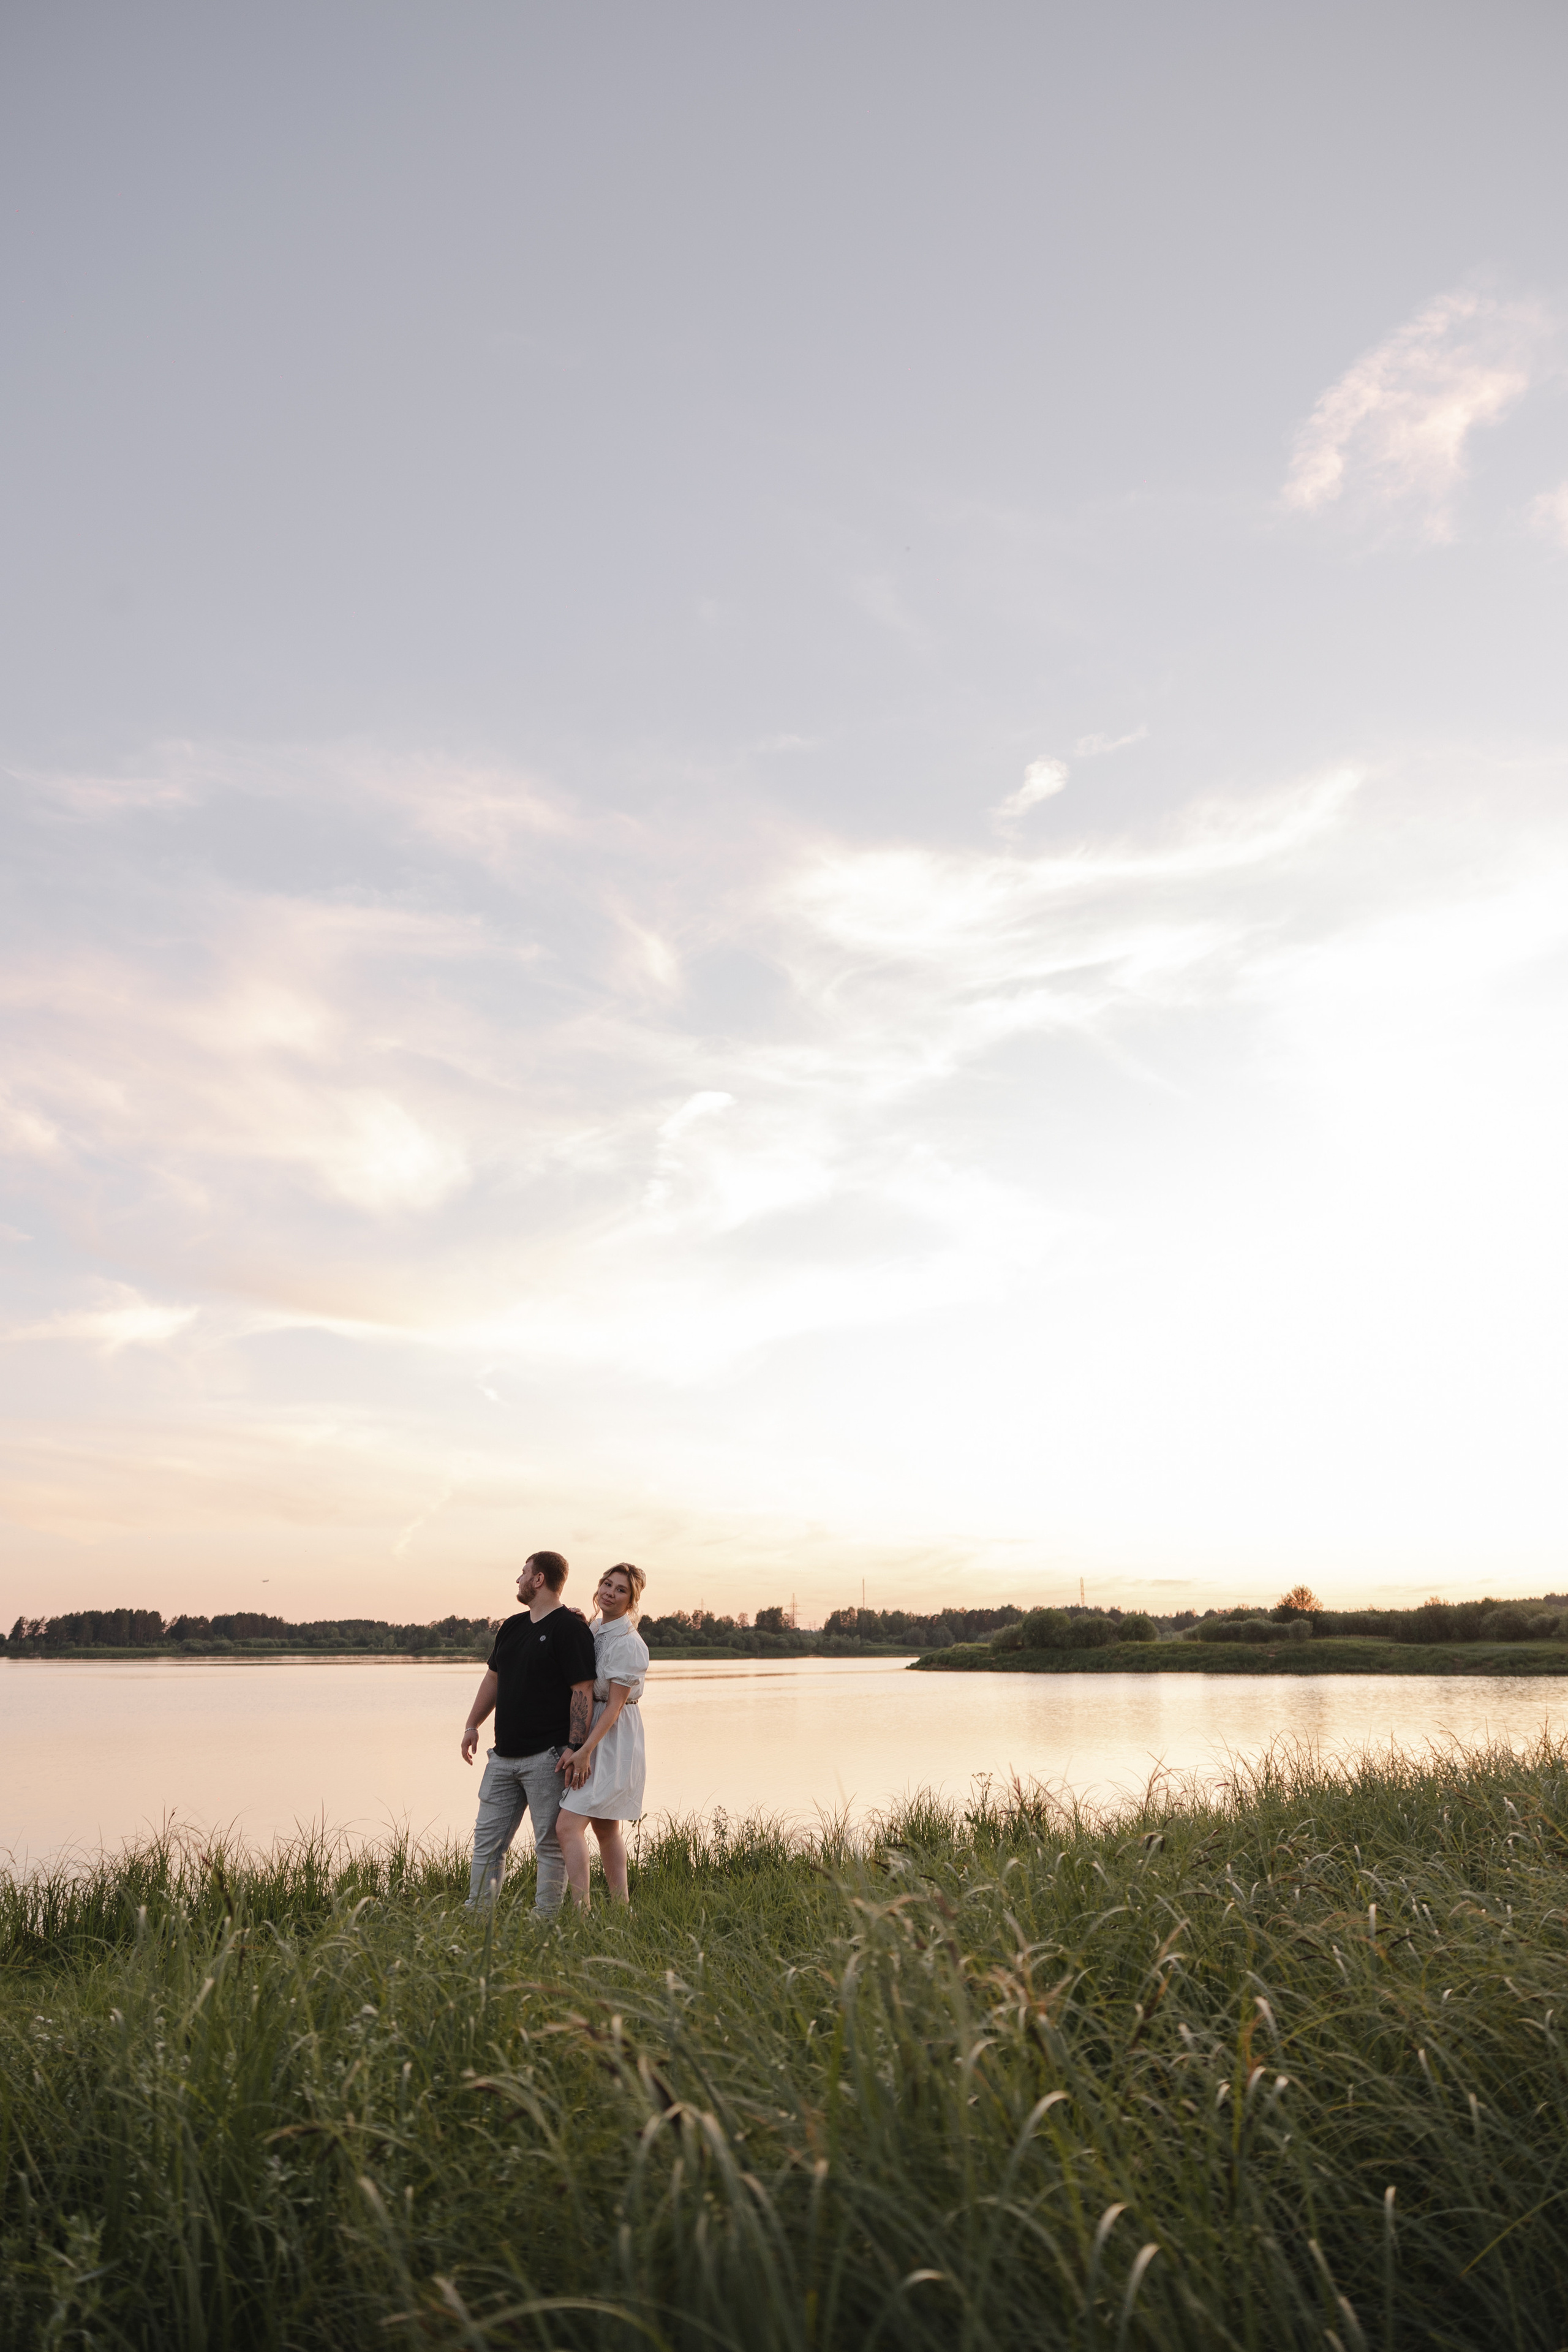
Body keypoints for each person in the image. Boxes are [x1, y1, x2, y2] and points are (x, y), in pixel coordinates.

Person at [461, 1550, 597, 1915]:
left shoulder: (569, 1628)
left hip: (548, 1758)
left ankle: (547, 1918)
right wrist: (473, 1724)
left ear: (539, 1579)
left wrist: (575, 1747)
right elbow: (493, 1678)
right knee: (487, 1843)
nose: (518, 1579)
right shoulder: (512, 1626)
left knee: (549, 1844)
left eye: (524, 1573)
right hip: (502, 1757)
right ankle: (478, 1914)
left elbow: (582, 1690)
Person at [555, 1562, 649, 1908]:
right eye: (607, 1584)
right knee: (606, 1828)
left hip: (611, 1736)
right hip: (594, 1727)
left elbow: (614, 1706)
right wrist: (581, 1625)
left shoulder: (629, 1643)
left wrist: (584, 1751)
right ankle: (621, 1910)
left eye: (620, 1589)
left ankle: (581, 1912)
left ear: (631, 1600)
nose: (610, 1592)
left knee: (567, 1826)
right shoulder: (596, 1627)